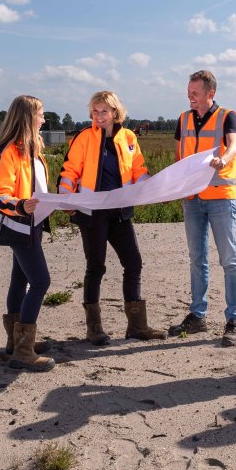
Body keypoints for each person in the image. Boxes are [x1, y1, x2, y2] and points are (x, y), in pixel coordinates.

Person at [59, 91, 166, 345]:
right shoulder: (83, 137)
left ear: (115, 113)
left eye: (104, 111)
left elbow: (138, 170)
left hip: (120, 212)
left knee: (134, 263)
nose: (98, 116)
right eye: (95, 111)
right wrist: (65, 198)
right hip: (91, 214)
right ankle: (94, 328)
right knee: (96, 267)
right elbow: (69, 171)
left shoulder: (129, 137)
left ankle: (137, 326)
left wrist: (153, 185)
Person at [168, 70, 236, 347]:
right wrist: (175, 187)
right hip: (192, 200)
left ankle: (234, 320)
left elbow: (233, 145)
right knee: (196, 258)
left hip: (221, 197)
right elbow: (179, 157)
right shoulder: (183, 119)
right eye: (188, 92)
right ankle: (198, 315)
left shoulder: (228, 115)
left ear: (210, 94)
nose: (190, 97)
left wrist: (223, 159)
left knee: (229, 259)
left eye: (195, 93)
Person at [0, 95, 55, 372]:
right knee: (40, 282)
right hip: (17, 225)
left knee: (20, 280)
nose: (43, 120)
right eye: (40, 115)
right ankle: (24, 351)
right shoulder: (5, 152)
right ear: (27, 117)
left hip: (31, 223)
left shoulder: (30, 149)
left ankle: (15, 343)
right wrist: (21, 205)